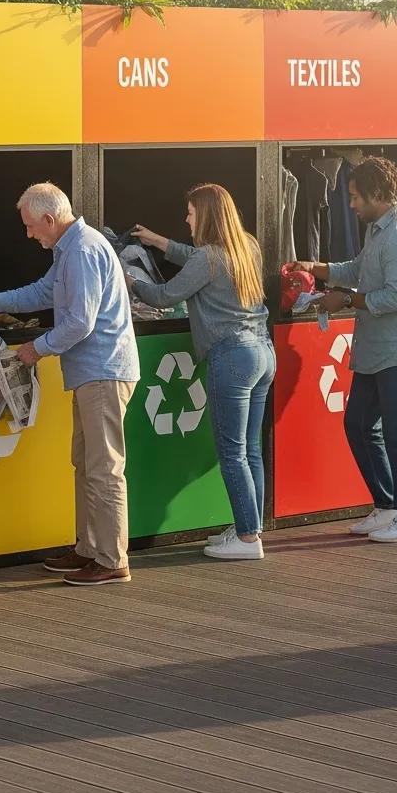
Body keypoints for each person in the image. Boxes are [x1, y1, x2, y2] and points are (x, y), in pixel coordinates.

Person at [0, 182, 139, 586]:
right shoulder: (72, 248)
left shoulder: (80, 251)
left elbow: (81, 321)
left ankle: (112, 559)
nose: (29, 234)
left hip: (103, 371)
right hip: (92, 372)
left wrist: (37, 348)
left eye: (30, 226)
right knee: (87, 464)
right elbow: (44, 292)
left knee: (103, 468)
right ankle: (89, 548)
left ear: (49, 219)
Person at [131, 183, 275, 561]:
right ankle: (250, 527)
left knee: (232, 454)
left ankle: (247, 539)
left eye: (191, 212)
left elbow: (164, 296)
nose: (186, 218)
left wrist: (130, 281)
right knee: (251, 451)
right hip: (262, 352)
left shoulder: (209, 257)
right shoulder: (247, 247)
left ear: (206, 215)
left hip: (231, 356)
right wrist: (159, 241)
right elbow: (194, 257)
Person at [287, 156, 397, 543]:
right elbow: (357, 268)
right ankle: (388, 506)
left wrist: (343, 300)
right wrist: (317, 267)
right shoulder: (377, 230)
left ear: (378, 193)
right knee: (358, 425)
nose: (352, 204)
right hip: (373, 352)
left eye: (356, 196)